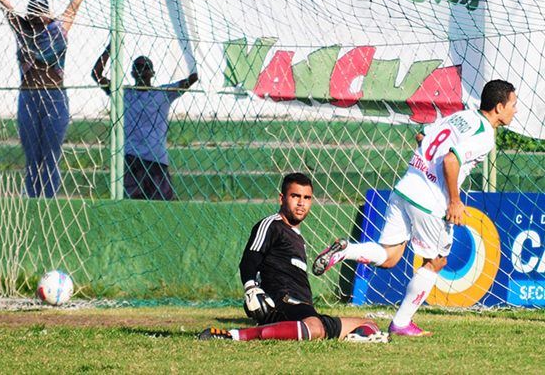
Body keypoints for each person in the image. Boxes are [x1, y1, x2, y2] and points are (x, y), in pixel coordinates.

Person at [312, 80, 518, 337]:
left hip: (406, 186)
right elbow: (452, 160)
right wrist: (454, 200)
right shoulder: (485, 134)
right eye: (513, 104)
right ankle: (401, 323)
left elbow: (422, 135)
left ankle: (346, 251)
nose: (515, 110)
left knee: (390, 257)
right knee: (437, 261)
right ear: (499, 107)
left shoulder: (461, 116)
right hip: (430, 201)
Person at [199, 172, 388, 342]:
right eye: (295, 196)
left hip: (303, 308)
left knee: (368, 325)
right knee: (315, 328)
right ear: (282, 198)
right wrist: (250, 288)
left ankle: (323, 332)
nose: (301, 203)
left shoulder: (298, 237)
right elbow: (250, 258)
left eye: (306, 197)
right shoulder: (271, 225)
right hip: (280, 302)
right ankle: (235, 336)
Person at [0, 0, 103, 198]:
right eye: (33, 12)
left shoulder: (58, 29)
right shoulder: (22, 29)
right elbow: (3, 0)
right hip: (29, 97)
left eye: (40, 12)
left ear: (47, 14)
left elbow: (77, 1)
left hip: (54, 97)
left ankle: (49, 199)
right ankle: (32, 196)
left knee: (51, 153)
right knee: (33, 154)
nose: (36, 16)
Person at [92, 42, 198, 200]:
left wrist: (192, 55)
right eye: (138, 67)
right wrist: (110, 48)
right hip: (131, 158)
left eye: (145, 67)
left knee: (164, 203)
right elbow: (96, 74)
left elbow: (192, 79)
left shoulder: (163, 93)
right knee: (132, 203)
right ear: (132, 72)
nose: (142, 70)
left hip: (156, 159)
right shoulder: (124, 93)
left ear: (152, 72)